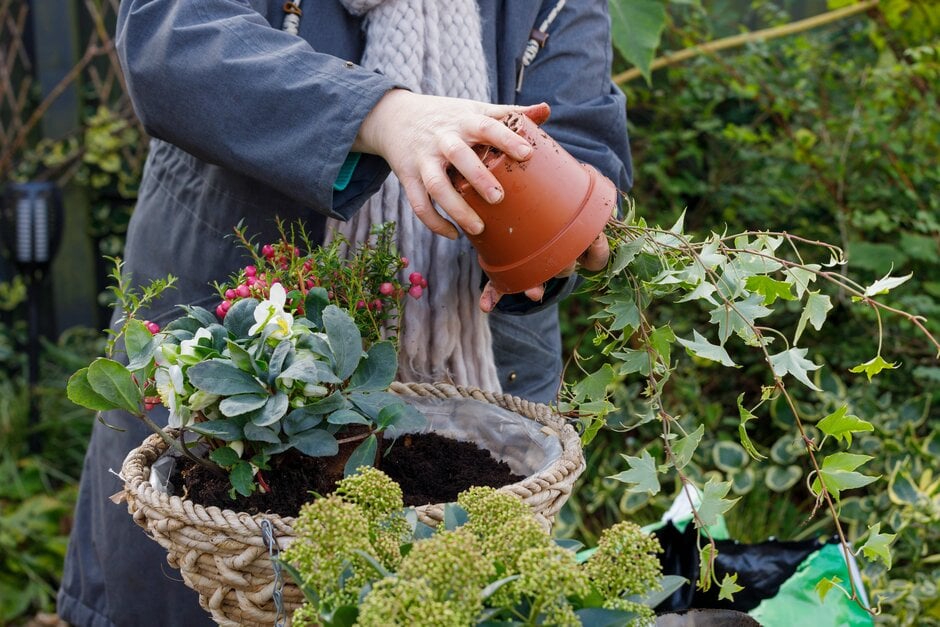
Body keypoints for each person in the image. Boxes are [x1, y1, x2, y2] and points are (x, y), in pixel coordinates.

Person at [57, 1, 632, 625]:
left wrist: (562, 231)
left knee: (461, 596)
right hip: (241, 360)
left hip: (480, 390)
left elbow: (581, 133)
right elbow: (171, 40)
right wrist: (384, 114)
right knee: (223, 589)